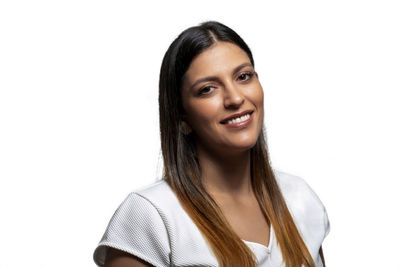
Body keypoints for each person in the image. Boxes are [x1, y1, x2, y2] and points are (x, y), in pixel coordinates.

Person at [93, 21, 330, 267]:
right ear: (182, 118)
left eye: (243, 76)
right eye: (207, 89)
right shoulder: (152, 216)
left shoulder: (300, 198)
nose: (236, 98)